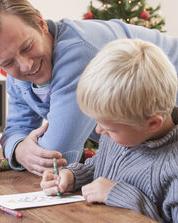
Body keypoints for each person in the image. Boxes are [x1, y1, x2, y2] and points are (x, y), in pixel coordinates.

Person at [0, 0, 178, 176]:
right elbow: (15, 129)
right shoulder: (18, 71)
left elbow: (59, 155)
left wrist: (27, 149)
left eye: (27, 47)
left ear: (40, 23)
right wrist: (19, 149)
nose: (25, 65)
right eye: (8, 62)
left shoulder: (79, 53)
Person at [40, 39, 178, 222]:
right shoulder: (122, 136)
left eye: (110, 128)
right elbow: (100, 167)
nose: (98, 130)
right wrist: (73, 177)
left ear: (152, 124)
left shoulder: (173, 170)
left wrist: (121, 195)